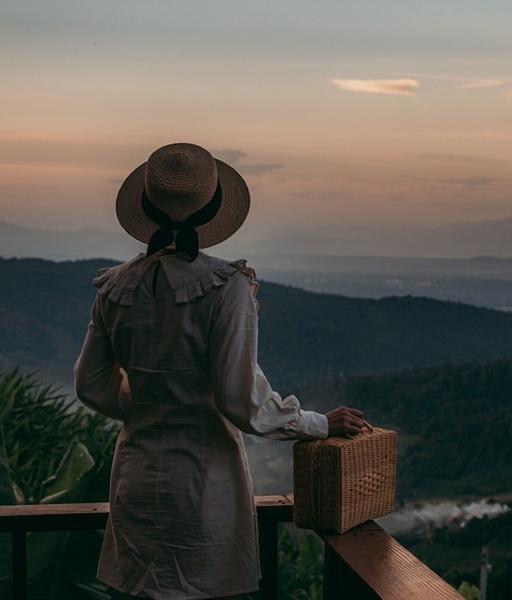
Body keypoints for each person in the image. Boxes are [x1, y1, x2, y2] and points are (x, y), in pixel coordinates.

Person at [73, 143, 365, 600]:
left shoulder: (115, 287)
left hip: (135, 481)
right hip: (203, 488)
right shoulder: (224, 288)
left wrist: (144, 406)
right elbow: (239, 398)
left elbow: (89, 383)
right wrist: (318, 423)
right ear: (212, 210)